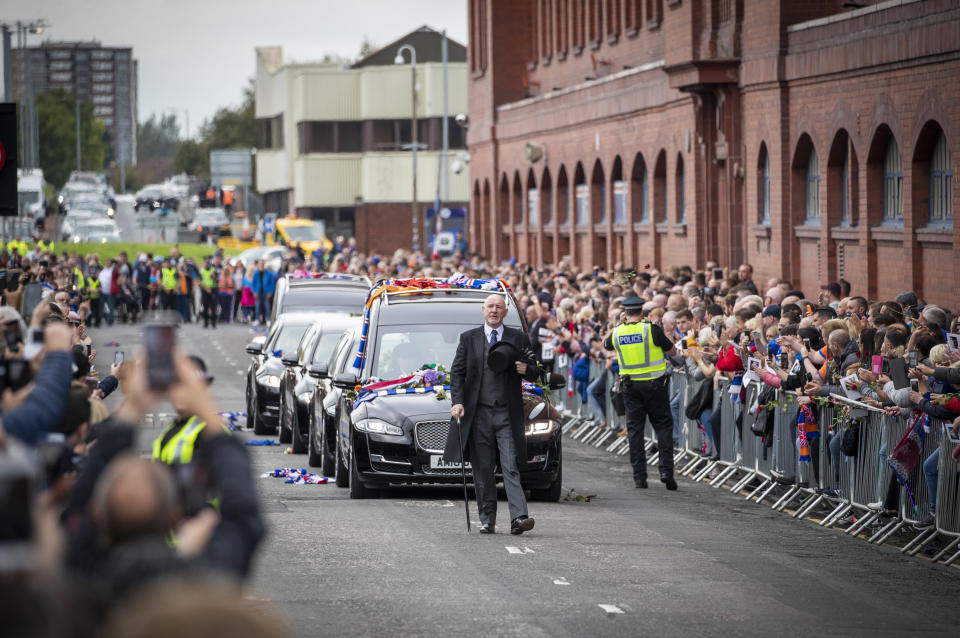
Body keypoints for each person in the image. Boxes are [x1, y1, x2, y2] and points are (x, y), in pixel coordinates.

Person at [445, 294, 542, 535]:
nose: (494, 310)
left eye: (499, 307)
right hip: (478, 415)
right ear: (483, 310)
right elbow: (457, 373)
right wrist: (457, 402)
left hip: (507, 415)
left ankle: (519, 518)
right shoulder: (469, 339)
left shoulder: (518, 338)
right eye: (490, 306)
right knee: (483, 469)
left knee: (510, 467)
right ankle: (487, 519)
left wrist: (525, 369)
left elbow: (535, 370)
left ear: (505, 312)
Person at [604, 295, 681, 490]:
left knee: (635, 431)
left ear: (625, 313)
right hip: (655, 386)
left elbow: (606, 345)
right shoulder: (651, 330)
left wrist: (618, 323)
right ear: (642, 312)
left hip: (630, 388)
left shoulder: (617, 332)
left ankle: (639, 477)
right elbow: (672, 351)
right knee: (663, 427)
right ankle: (666, 472)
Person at [198, 258, 219, 329]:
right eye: (206, 263)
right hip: (205, 291)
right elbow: (199, 282)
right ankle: (206, 323)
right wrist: (206, 288)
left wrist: (213, 277)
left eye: (208, 263)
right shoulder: (201, 271)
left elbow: (217, 281)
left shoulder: (213, 271)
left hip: (213, 290)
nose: (206, 264)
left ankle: (213, 323)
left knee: (213, 308)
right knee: (205, 307)